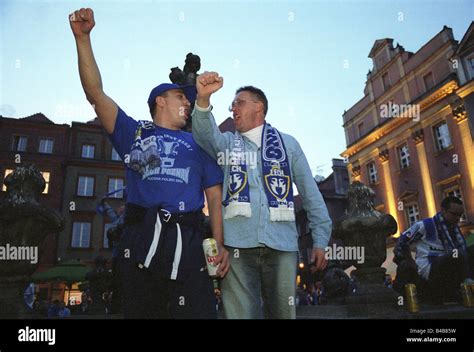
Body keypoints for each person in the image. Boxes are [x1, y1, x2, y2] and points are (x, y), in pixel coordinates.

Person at [69, 8, 229, 319]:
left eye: (188, 98)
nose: (186, 103)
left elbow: (214, 196)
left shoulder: (198, 140)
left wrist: (219, 245)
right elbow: (95, 94)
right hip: (141, 238)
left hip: (190, 239)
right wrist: (83, 39)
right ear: (160, 100)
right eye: (180, 97)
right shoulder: (135, 132)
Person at [191, 71, 332, 319]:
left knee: (282, 315)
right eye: (232, 104)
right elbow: (204, 134)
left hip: (282, 246)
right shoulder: (225, 143)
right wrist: (203, 99)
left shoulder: (289, 144)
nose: (233, 109)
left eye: (239, 103)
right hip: (237, 247)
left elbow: (310, 194)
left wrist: (320, 239)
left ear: (259, 107)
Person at [394, 196, 473, 303]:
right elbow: (402, 241)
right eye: (454, 214)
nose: (458, 218)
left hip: (448, 265)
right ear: (443, 210)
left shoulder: (454, 230)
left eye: (460, 215)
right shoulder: (425, 225)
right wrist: (409, 261)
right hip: (429, 266)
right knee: (457, 255)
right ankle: (467, 283)